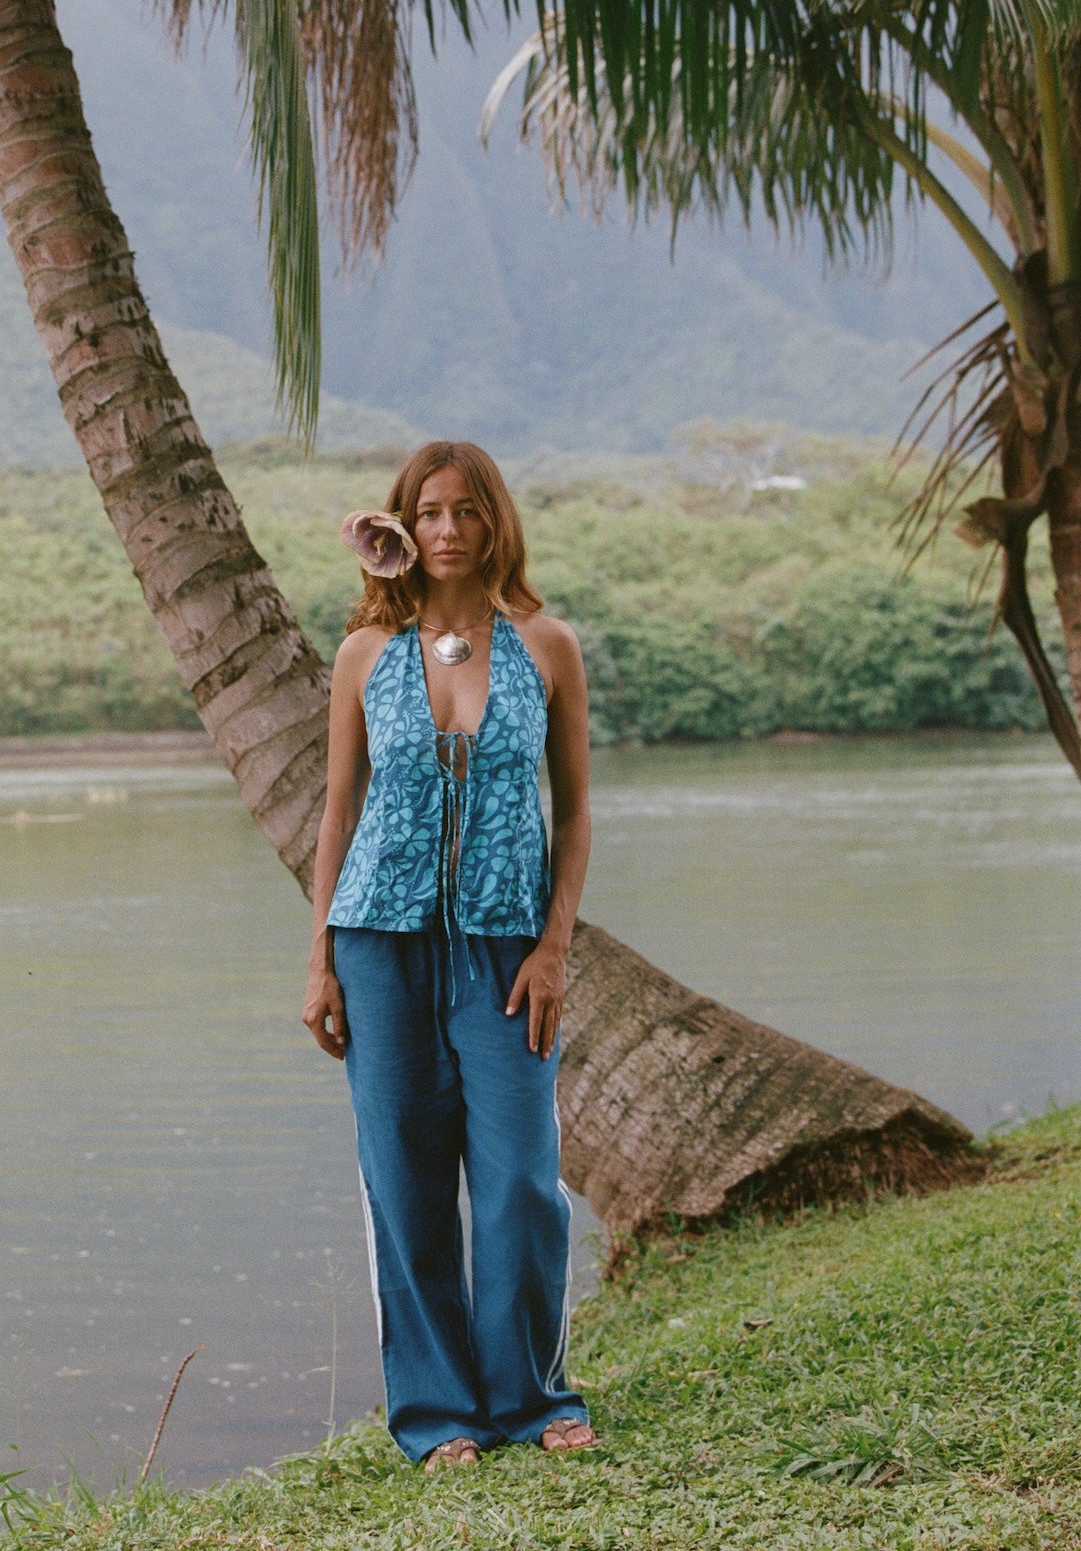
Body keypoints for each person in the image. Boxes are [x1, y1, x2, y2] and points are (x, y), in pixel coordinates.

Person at [302, 439, 598, 1471]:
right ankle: (437, 1417)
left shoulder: (546, 646)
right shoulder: (364, 658)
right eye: (425, 511)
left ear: (494, 523)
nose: (445, 528)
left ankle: (531, 1395)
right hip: (379, 945)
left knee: (519, 1177)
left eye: (465, 510)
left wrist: (554, 946)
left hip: (506, 945)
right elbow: (338, 816)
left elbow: (575, 814)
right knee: (405, 1179)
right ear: (400, 525)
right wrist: (320, 963)